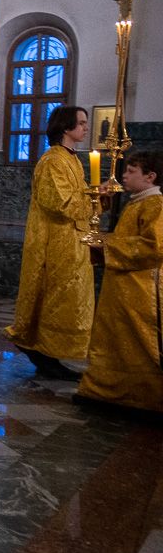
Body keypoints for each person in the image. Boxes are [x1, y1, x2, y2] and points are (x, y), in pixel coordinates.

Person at [4, 106, 95, 378]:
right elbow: (59, 203)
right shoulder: (52, 161)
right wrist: (94, 199)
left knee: (65, 298)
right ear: (66, 127)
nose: (86, 128)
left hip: (72, 240)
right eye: (81, 123)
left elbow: (77, 197)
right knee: (55, 297)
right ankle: (43, 351)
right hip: (54, 242)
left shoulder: (71, 159)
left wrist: (95, 195)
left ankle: (49, 352)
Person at [75, 148, 163, 414]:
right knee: (116, 337)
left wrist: (107, 245)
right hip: (124, 287)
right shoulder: (138, 201)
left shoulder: (155, 204)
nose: (124, 176)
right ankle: (110, 389)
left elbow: (154, 247)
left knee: (137, 341)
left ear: (150, 176)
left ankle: (143, 395)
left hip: (140, 290)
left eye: (131, 171)